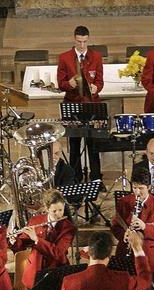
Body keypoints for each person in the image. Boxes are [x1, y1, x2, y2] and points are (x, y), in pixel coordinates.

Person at [57, 25, 104, 183]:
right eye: (79, 41)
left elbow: (100, 81)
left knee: (93, 144)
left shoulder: (96, 56)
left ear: (88, 39)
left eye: (85, 42)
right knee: (75, 144)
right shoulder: (64, 57)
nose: (82, 45)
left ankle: (96, 178)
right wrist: (69, 84)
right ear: (74, 39)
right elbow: (60, 83)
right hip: (72, 104)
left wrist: (96, 88)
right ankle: (75, 178)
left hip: (91, 104)